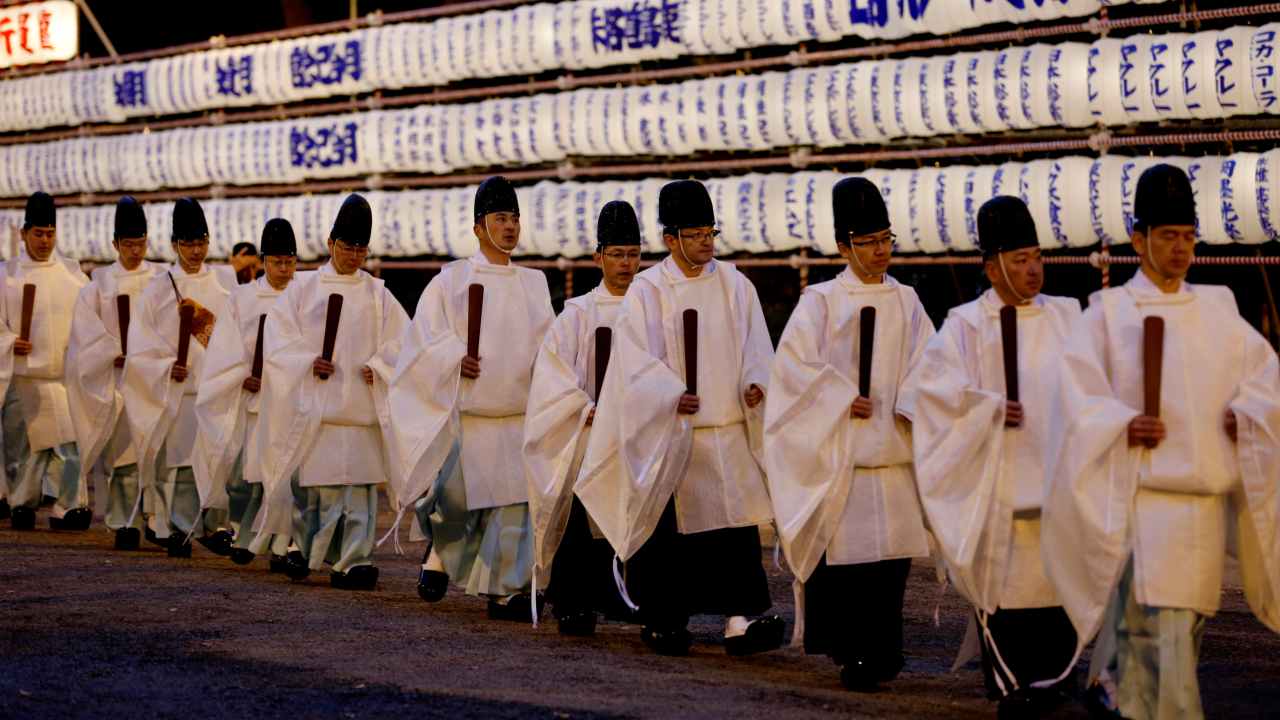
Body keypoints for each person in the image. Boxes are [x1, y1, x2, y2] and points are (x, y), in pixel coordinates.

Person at [1043, 164, 1280, 720]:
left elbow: (1264, 381)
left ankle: (1118, 693)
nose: (1180, 249)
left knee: (1183, 633)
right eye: (1168, 236)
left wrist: (1246, 414)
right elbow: (1075, 399)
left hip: (1203, 505)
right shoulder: (1107, 314)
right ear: (1138, 240)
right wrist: (1121, 423)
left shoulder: (1217, 309)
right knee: (1157, 637)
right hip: (1143, 503)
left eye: (1188, 237)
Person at [577, 179, 783, 657]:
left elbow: (757, 345)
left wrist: (756, 382)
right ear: (670, 240)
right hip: (672, 434)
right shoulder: (649, 290)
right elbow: (633, 363)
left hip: (726, 427)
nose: (706, 243)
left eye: (710, 232)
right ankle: (664, 619)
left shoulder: (735, 283)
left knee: (734, 531)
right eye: (694, 235)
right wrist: (668, 394)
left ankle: (740, 620)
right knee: (669, 535)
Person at [905, 195, 1080, 715]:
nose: (1032, 270)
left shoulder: (1067, 316)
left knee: (1058, 582)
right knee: (1007, 587)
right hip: (997, 484)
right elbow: (936, 401)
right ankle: (1011, 682)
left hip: (1056, 483)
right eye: (1019, 259)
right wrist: (986, 410)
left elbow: (1094, 387)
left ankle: (1054, 678)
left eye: (1037, 257)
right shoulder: (964, 325)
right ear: (992, 265)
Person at [764, 177, 934, 690]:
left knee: (891, 566)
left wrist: (908, 401)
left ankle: (883, 652)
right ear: (844, 246)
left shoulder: (906, 301)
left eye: (886, 240)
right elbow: (793, 372)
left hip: (892, 452)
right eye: (869, 243)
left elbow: (931, 363)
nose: (881, 252)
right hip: (840, 457)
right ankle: (853, 652)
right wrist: (839, 398)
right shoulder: (819, 302)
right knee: (851, 563)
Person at [390, 176, 554, 620]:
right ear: (479, 227)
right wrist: (451, 359)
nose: (510, 227)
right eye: (501, 218)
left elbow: (550, 347)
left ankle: (506, 590)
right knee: (455, 505)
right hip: (470, 414)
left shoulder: (534, 284)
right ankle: (439, 553)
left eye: (515, 219)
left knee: (513, 509)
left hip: (517, 414)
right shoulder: (451, 281)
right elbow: (421, 341)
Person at [252, 194, 409, 590]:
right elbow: (279, 340)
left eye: (360, 248)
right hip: (317, 409)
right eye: (346, 246)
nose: (353, 255)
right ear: (330, 244)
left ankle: (354, 560)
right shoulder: (303, 290)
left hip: (360, 410)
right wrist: (308, 361)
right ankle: (307, 552)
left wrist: (381, 366)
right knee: (318, 492)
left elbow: (403, 343)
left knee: (359, 494)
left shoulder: (379, 294)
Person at [524, 200, 643, 635]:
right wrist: (583, 406)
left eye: (633, 254)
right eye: (617, 254)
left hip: (636, 433)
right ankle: (573, 602)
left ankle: (629, 596)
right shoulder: (578, 313)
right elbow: (552, 374)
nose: (626, 264)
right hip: (588, 429)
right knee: (578, 517)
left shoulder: (654, 308)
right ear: (598, 257)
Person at [122, 197, 238, 557]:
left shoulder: (225, 287)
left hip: (215, 387)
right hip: (177, 390)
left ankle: (214, 524)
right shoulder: (158, 289)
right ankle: (180, 527)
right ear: (174, 245)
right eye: (187, 243)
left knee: (218, 457)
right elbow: (140, 343)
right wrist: (164, 365)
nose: (195, 251)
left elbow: (234, 337)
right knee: (182, 462)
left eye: (201, 242)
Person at [194, 219, 300, 569]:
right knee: (245, 473)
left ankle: (284, 545)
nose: (284, 269)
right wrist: (242, 374)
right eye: (277, 262)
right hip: (252, 396)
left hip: (289, 399)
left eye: (289, 262)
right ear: (264, 261)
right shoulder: (243, 298)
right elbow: (225, 347)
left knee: (284, 475)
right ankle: (243, 534)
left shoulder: (304, 295)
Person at [65, 196, 164, 549]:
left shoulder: (161, 279)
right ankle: (125, 522)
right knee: (123, 454)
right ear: (115, 244)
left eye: (140, 243)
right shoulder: (100, 284)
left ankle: (156, 518)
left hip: (153, 378)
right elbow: (85, 334)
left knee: (153, 451)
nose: (135, 251)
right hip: (117, 378)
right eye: (128, 244)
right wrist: (111, 352)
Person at [1, 192, 89, 531]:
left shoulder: (73, 276)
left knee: (68, 448)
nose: (44, 241)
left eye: (50, 234)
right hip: (21, 376)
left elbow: (88, 324)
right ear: (24, 234)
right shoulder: (6, 276)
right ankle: (22, 503)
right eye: (38, 233)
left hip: (62, 377)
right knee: (23, 449)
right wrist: (9, 341)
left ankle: (68, 506)